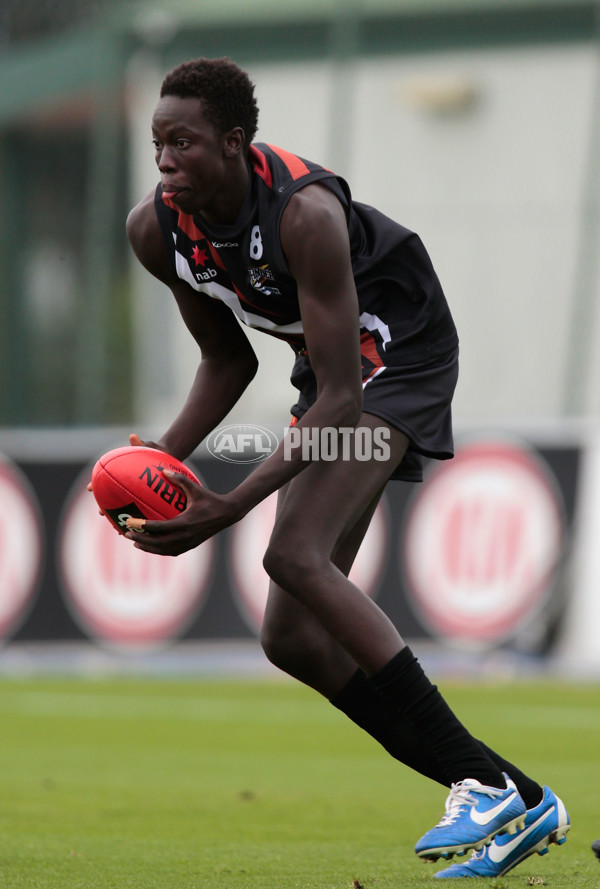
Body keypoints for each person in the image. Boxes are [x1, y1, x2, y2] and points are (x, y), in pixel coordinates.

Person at [123, 57, 570, 877]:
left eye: (182, 144)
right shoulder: (159, 229)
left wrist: (229, 505)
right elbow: (226, 364)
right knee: (288, 634)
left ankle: (481, 783)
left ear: (233, 143)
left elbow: (337, 405)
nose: (164, 162)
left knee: (293, 554)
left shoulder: (305, 215)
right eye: (157, 144)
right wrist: (151, 459)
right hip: (332, 370)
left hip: (399, 356)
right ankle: (514, 792)